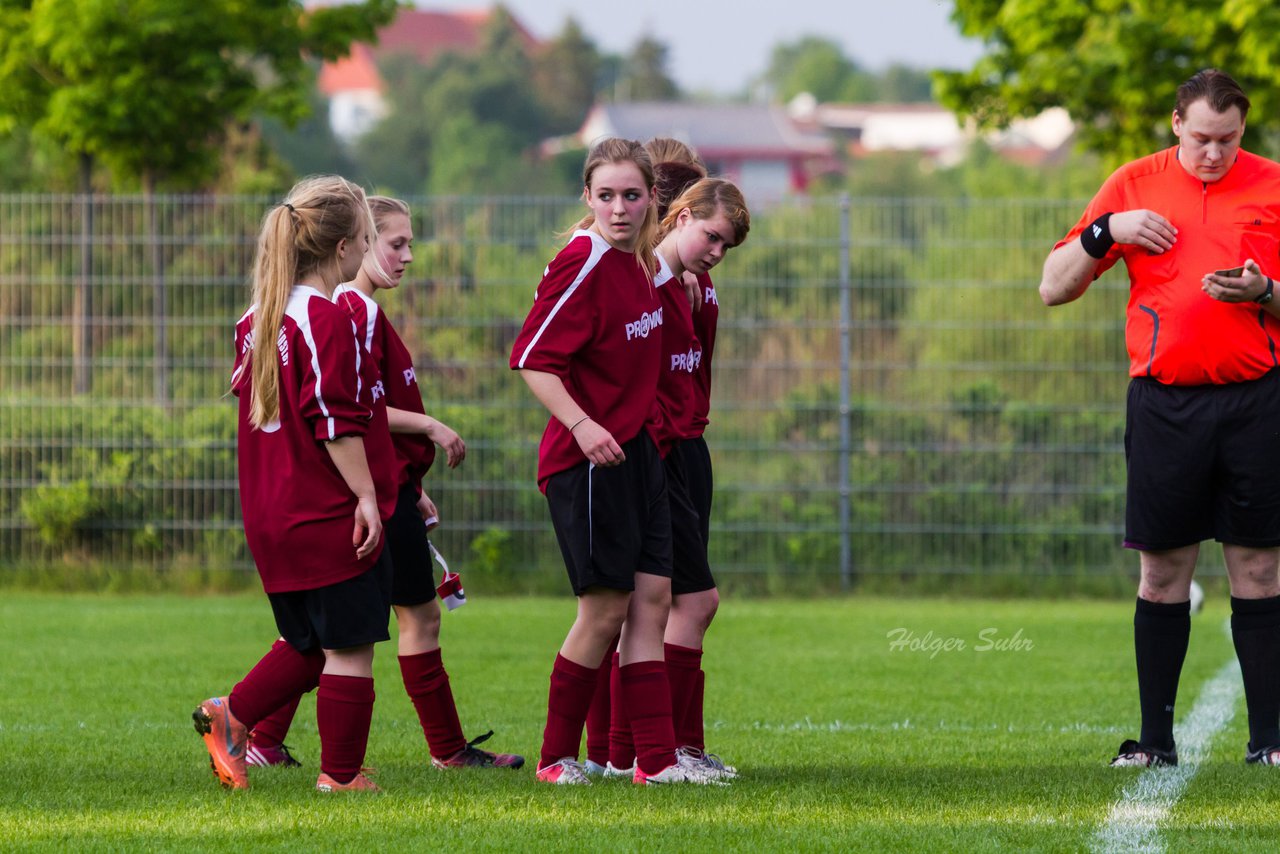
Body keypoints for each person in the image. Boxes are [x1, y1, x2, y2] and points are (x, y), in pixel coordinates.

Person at [1040, 68, 1280, 768]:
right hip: (1164, 403)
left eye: (1228, 140)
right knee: (1163, 572)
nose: (1214, 153)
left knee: (1260, 570)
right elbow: (1052, 288)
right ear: (1177, 123)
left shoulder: (1271, 184)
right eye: (1202, 138)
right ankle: (1155, 742)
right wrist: (1104, 231)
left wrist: (1266, 291)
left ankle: (1269, 742)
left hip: (1256, 400)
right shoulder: (1133, 183)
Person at [244, 196, 524, 772]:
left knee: (331, 630)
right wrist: (388, 473)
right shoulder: (340, 313)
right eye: (390, 242)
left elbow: (348, 412)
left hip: (324, 497)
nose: (404, 255)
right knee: (356, 630)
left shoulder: (271, 316)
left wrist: (405, 478)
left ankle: (257, 732)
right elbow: (336, 416)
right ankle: (304, 748)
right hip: (344, 498)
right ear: (350, 245)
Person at [510, 137, 720, 785]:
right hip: (589, 464)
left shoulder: (641, 267)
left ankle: (653, 763)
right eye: (606, 196)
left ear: (653, 198)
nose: (620, 208)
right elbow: (532, 359)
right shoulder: (583, 260)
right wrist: (583, 424)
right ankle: (555, 759)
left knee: (655, 599)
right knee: (603, 611)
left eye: (632, 195)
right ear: (588, 198)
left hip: (642, 457)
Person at [193, 175, 397, 793]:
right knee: (351, 645)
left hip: (269, 510)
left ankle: (230, 716)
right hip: (318, 507)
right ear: (341, 249)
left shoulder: (254, 317)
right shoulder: (324, 318)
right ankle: (341, 778)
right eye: (366, 238)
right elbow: (333, 421)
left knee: (309, 641)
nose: (369, 250)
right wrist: (366, 495)